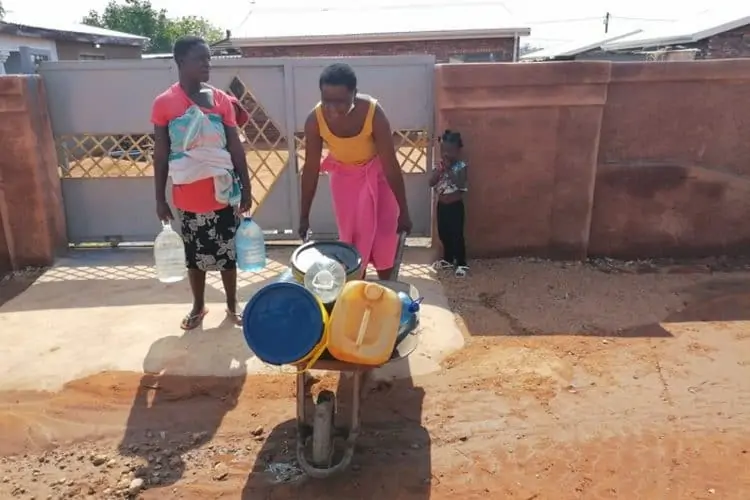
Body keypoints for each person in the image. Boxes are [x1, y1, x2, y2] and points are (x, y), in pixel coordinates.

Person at [151, 35, 252, 330]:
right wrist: (159, 197)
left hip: (222, 192)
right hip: (187, 194)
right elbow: (161, 154)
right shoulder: (165, 103)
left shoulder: (220, 99)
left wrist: (246, 185)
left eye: (209, 58)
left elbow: (234, 147)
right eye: (200, 59)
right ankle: (199, 304)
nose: (207, 64)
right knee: (194, 256)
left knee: (227, 252)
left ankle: (233, 304)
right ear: (181, 62)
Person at [298, 63, 412, 280]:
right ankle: (356, 296)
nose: (331, 109)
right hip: (345, 183)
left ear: (354, 94)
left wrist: (404, 210)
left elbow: (390, 164)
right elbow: (311, 169)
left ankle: (384, 290)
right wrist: (304, 216)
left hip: (378, 179)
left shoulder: (373, 114)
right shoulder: (315, 120)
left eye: (340, 102)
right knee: (351, 245)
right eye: (326, 100)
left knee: (384, 239)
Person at [430, 130, 468, 277]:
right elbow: (431, 182)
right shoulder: (438, 166)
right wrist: (439, 171)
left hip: (455, 206)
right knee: (443, 233)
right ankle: (447, 258)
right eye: (444, 150)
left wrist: (450, 170)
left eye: (450, 151)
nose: (446, 154)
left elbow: (460, 184)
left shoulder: (461, 166)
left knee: (457, 235)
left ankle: (461, 263)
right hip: (442, 206)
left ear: (458, 151)